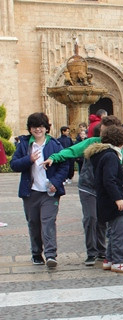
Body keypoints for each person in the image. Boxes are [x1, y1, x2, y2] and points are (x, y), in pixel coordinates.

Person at [43, 116, 122, 267]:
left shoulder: (118, 146)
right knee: (90, 218)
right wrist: (54, 157)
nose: (103, 131)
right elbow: (72, 151)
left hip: (105, 189)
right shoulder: (92, 142)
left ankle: (101, 250)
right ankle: (91, 252)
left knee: (102, 219)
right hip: (88, 186)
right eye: (103, 128)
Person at [10, 112, 68, 268]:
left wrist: (56, 182)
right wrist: (28, 159)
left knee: (48, 221)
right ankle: (36, 253)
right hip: (31, 191)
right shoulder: (24, 144)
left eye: (41, 126)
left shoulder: (54, 145)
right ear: (30, 128)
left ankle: (50, 255)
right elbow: (14, 165)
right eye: (35, 127)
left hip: (50, 191)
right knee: (34, 223)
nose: (38, 130)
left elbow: (65, 166)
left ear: (46, 128)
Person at [86, 125, 123, 273]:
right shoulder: (111, 156)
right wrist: (118, 198)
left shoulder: (103, 154)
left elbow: (110, 179)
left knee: (113, 231)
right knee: (119, 232)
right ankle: (119, 261)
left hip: (105, 199)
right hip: (112, 201)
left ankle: (109, 259)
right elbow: (109, 180)